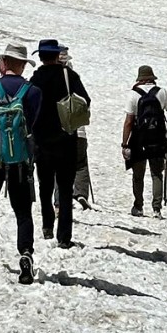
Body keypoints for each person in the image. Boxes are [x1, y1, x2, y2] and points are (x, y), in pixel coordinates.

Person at [0, 43, 42, 284]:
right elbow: (33, 126)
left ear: (4, 63)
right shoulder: (33, 91)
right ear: (22, 65)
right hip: (21, 159)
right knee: (23, 211)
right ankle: (25, 254)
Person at [28, 39, 90, 248]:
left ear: (41, 57)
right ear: (56, 55)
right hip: (66, 139)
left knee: (45, 186)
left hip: (42, 142)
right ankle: (64, 236)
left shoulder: (34, 79)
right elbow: (85, 100)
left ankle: (47, 225)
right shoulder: (69, 76)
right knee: (64, 189)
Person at [122, 65, 167, 218]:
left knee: (138, 175)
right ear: (152, 78)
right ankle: (156, 208)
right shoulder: (161, 92)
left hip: (139, 139)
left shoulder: (133, 94)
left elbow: (129, 121)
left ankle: (138, 206)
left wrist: (124, 143)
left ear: (140, 79)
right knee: (157, 174)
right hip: (157, 139)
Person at [59, 46, 91, 210]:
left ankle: (59, 201)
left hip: (59, 132)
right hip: (79, 132)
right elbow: (87, 102)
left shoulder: (48, 77)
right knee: (81, 164)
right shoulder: (74, 79)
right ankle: (81, 194)